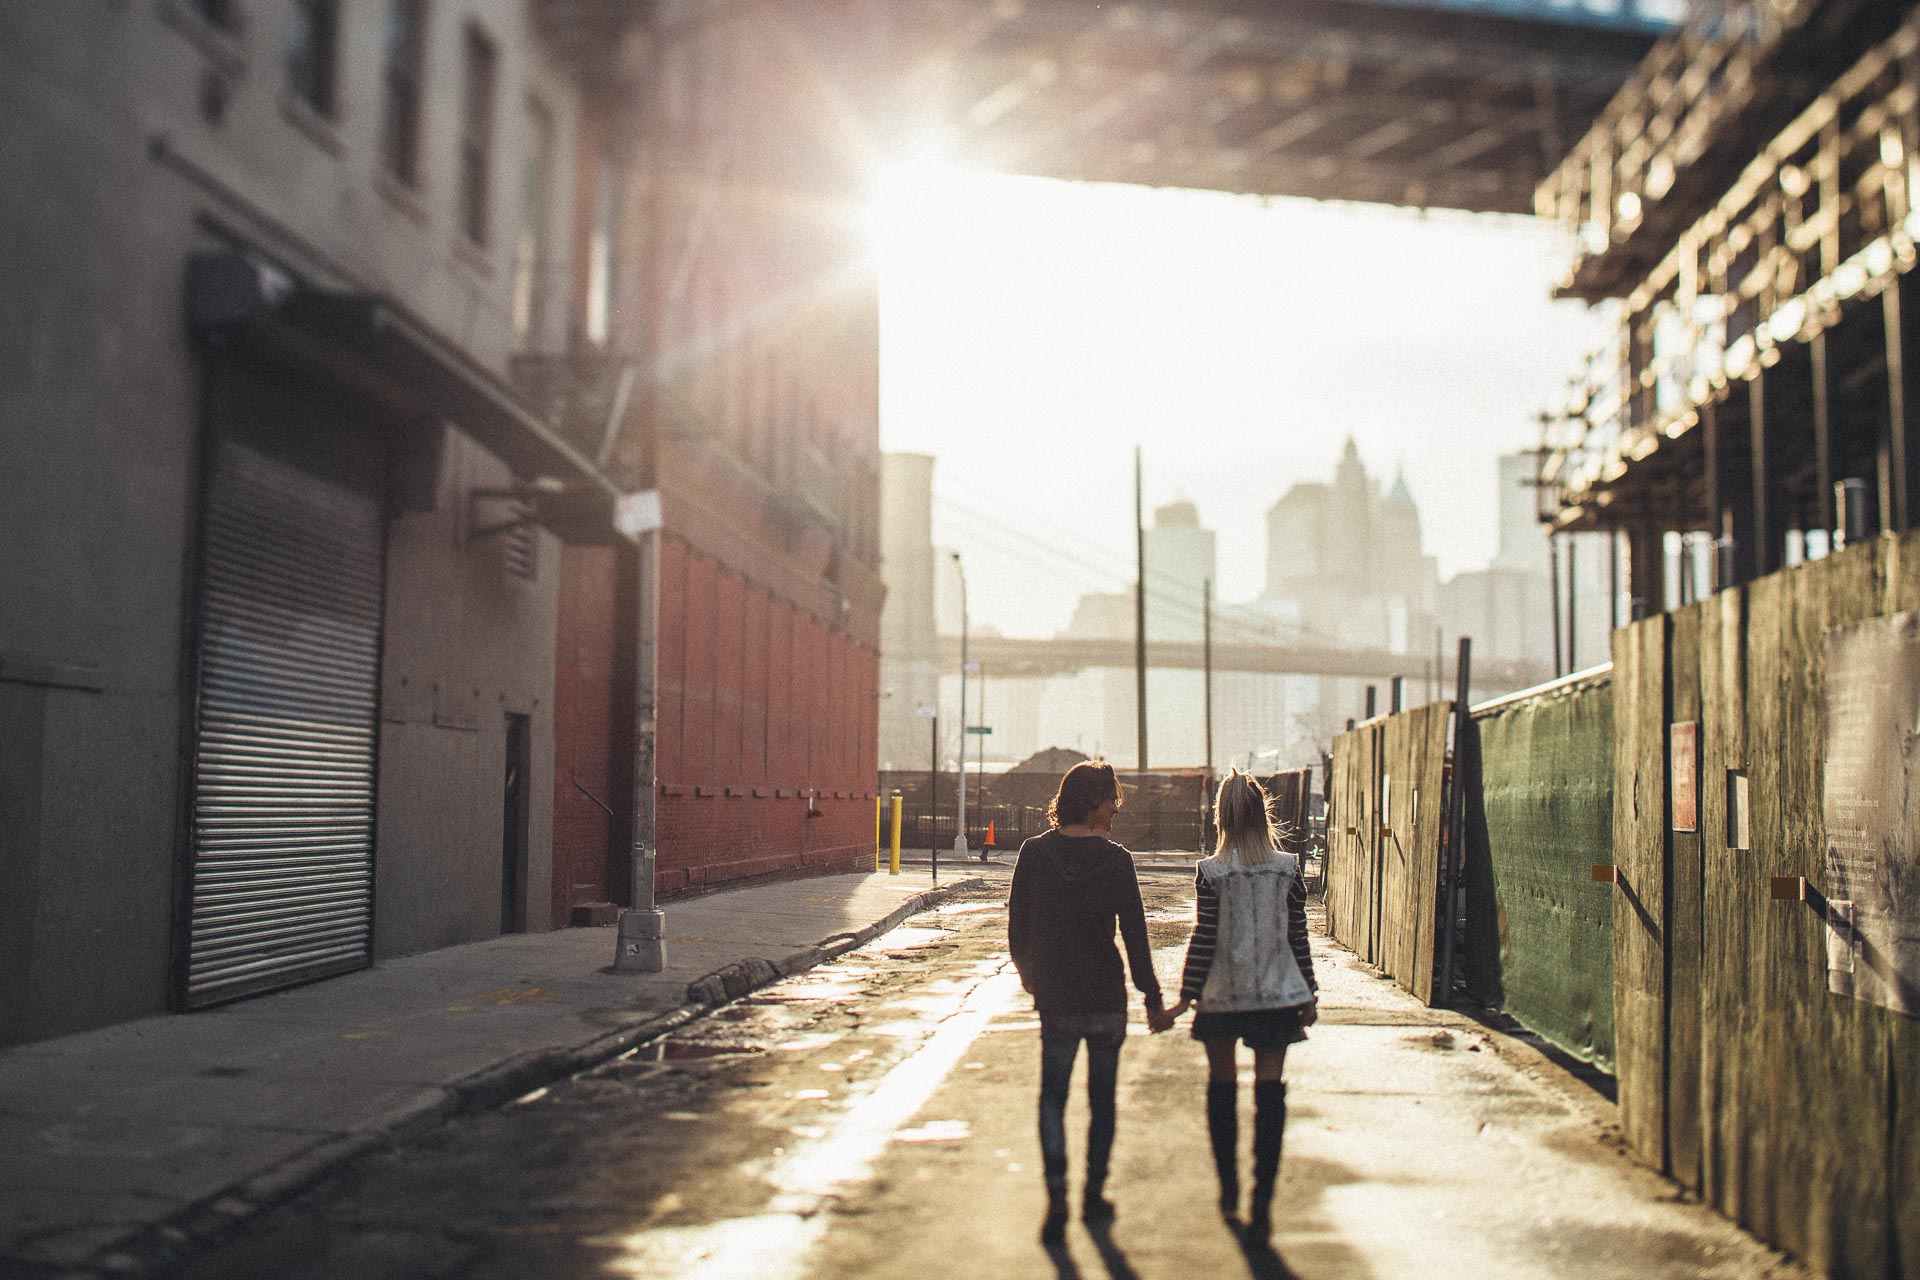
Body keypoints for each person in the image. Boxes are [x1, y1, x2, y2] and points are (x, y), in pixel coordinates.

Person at [1155, 770, 1318, 1240]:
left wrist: (1186, 998)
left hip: (1222, 996)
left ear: (1220, 816)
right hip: (1277, 995)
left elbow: (1204, 939)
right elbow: (1297, 935)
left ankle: (1228, 1189)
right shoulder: (1287, 867)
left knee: (1221, 1089)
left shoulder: (1212, 871)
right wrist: (1310, 991)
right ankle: (1262, 1196)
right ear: (1261, 813)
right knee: (1271, 1093)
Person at [1007, 760, 1165, 1245]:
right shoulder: (1117, 861)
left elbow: (1018, 930)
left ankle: (1057, 1196)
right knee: (1102, 1101)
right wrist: (1152, 998)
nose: (1116, 808)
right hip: (1105, 997)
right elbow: (1135, 938)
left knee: (1053, 1097)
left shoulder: (1034, 854)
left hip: (1057, 995)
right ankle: (1093, 1195)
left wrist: (1032, 978)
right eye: (1111, 799)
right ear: (1092, 801)